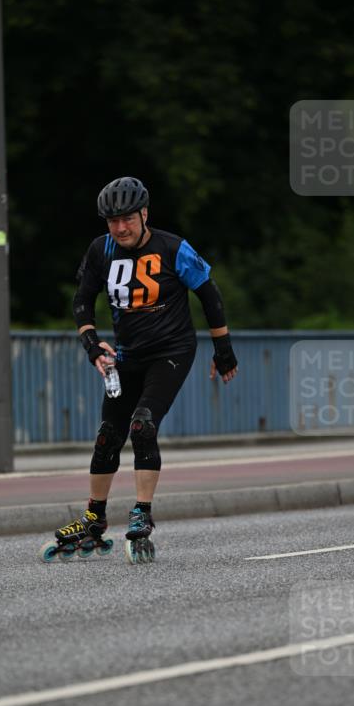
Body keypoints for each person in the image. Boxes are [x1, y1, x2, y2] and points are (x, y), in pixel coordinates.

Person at [52, 175, 238, 562]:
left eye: (128, 219)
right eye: (112, 221)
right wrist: (91, 344)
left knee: (142, 424)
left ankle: (142, 512)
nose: (120, 228)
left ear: (144, 214)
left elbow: (209, 294)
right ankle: (94, 518)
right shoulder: (101, 251)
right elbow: (83, 302)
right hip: (127, 356)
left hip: (172, 351)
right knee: (107, 435)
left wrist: (223, 349)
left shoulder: (173, 248)